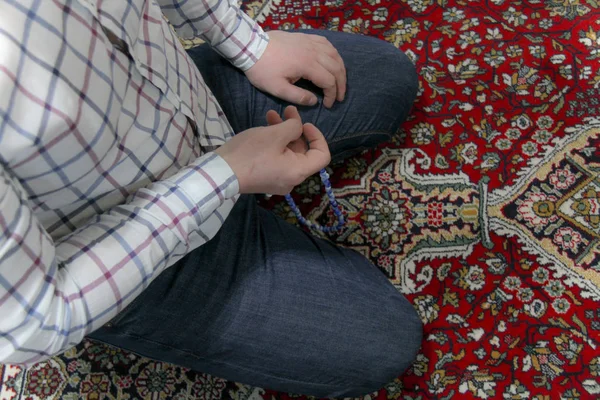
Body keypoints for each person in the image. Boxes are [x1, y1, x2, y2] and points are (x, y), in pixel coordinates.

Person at [0, 0, 422, 397]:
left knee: (384, 76)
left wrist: (249, 45)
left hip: (185, 101)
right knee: (384, 339)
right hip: (126, 249)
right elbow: (34, 320)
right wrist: (225, 175)